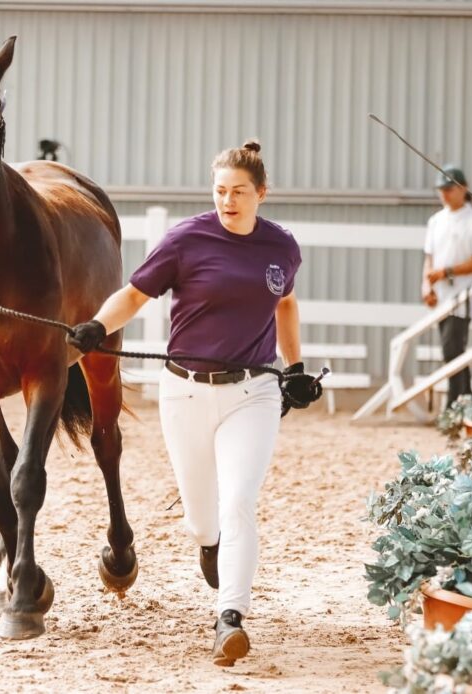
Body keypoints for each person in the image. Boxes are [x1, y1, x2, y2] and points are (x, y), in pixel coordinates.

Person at [67, 140, 323, 666]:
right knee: (203, 519)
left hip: (252, 392)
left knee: (239, 502)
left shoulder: (282, 247)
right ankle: (209, 545)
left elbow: (287, 304)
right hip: (183, 391)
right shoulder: (186, 240)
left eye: (240, 192)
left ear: (262, 194)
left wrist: (294, 368)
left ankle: (230, 618)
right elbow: (135, 296)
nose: (229, 201)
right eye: (220, 190)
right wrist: (97, 325)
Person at [421, 165, 472, 408]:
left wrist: (448, 272)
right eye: (442, 189)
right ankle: (465, 402)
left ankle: (454, 403)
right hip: (441, 296)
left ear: (463, 189)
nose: (445, 194)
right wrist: (426, 287)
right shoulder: (435, 221)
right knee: (454, 353)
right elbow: (429, 258)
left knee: (452, 351)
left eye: (449, 189)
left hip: (463, 296)